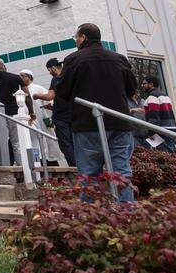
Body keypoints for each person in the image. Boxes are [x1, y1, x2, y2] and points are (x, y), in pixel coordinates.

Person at [55, 23, 138, 203]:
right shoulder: (119, 59)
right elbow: (132, 88)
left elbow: (62, 91)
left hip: (87, 124)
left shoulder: (73, 60)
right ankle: (127, 213)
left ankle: (91, 215)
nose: (75, 41)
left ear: (83, 37)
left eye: (76, 38)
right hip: (120, 123)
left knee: (89, 173)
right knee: (121, 171)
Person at [33, 57, 75, 166]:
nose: (49, 73)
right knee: (75, 141)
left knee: (65, 143)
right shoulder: (70, 76)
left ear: (53, 68)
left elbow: (49, 96)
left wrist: (37, 96)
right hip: (74, 114)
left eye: (49, 70)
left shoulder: (56, 79)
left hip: (62, 117)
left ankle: (74, 168)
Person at [0, 59, 27, 165]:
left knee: (1, 142)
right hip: (13, 113)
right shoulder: (16, 77)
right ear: (4, 67)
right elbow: (26, 94)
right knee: (16, 142)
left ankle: (4, 167)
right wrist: (31, 112)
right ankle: (22, 167)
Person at [141, 75, 176, 152]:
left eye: (144, 84)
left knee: (163, 155)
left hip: (160, 131)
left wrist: (150, 133)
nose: (142, 85)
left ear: (151, 84)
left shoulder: (152, 96)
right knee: (172, 155)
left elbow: (153, 116)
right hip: (171, 129)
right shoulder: (165, 95)